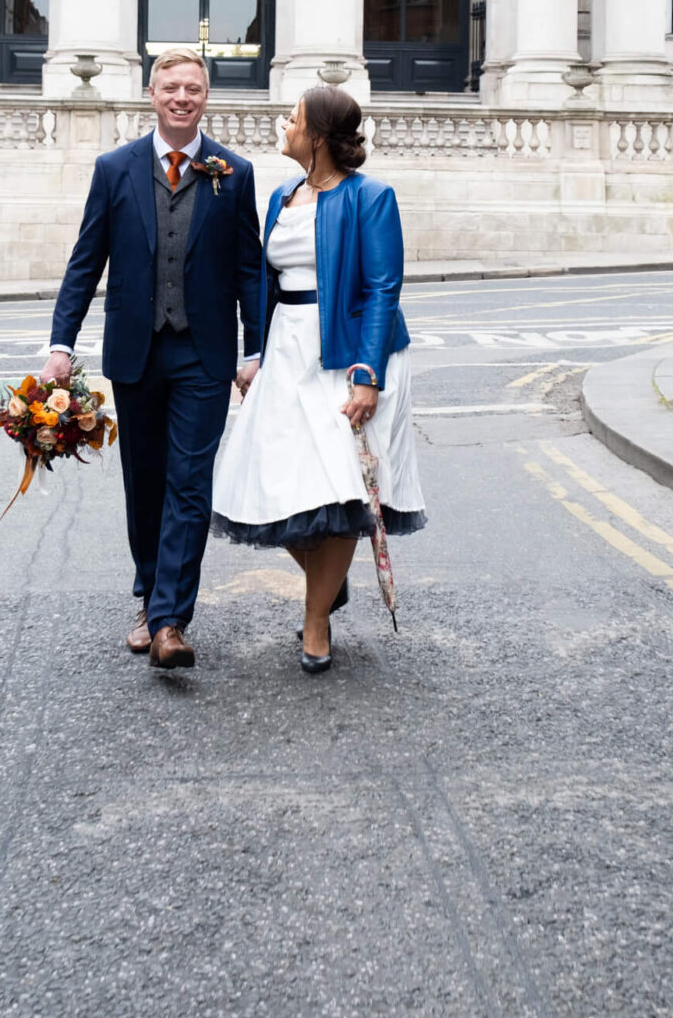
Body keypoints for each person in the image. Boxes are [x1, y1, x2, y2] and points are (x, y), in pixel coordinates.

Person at [44, 50, 262, 671]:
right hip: (136, 352)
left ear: (207, 96)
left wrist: (254, 350)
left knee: (189, 485)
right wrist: (62, 343)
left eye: (193, 88)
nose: (182, 97)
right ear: (151, 94)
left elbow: (250, 269)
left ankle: (170, 619)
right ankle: (148, 593)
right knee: (145, 485)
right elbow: (86, 261)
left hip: (203, 354)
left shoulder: (234, 173)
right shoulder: (114, 169)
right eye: (171, 87)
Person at [211, 85, 426, 673]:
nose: (284, 124)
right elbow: (267, 283)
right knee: (273, 480)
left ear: (319, 137)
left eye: (295, 118)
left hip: (348, 354)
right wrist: (254, 352)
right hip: (287, 351)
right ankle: (326, 584)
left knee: (339, 487)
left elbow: (383, 287)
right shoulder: (281, 194)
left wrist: (368, 374)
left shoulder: (371, 197)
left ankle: (314, 623)